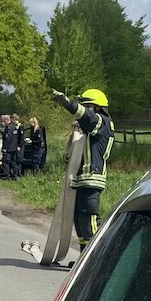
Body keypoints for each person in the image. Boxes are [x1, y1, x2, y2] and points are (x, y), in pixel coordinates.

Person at [52, 88, 114, 251]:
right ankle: (83, 258)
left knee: (89, 219)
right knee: (79, 220)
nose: (84, 108)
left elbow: (86, 116)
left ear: (98, 107)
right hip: (81, 179)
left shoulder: (102, 121)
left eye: (87, 105)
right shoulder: (91, 127)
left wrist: (67, 103)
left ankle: (95, 260)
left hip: (91, 179)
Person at [2, 113, 23, 179]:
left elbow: (8, 139)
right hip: (14, 148)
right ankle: (15, 175)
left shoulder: (9, 128)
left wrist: (5, 147)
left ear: (6, 120)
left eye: (3, 121)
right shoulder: (14, 127)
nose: (2, 123)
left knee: (5, 162)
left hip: (9, 148)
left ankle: (6, 176)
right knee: (13, 162)